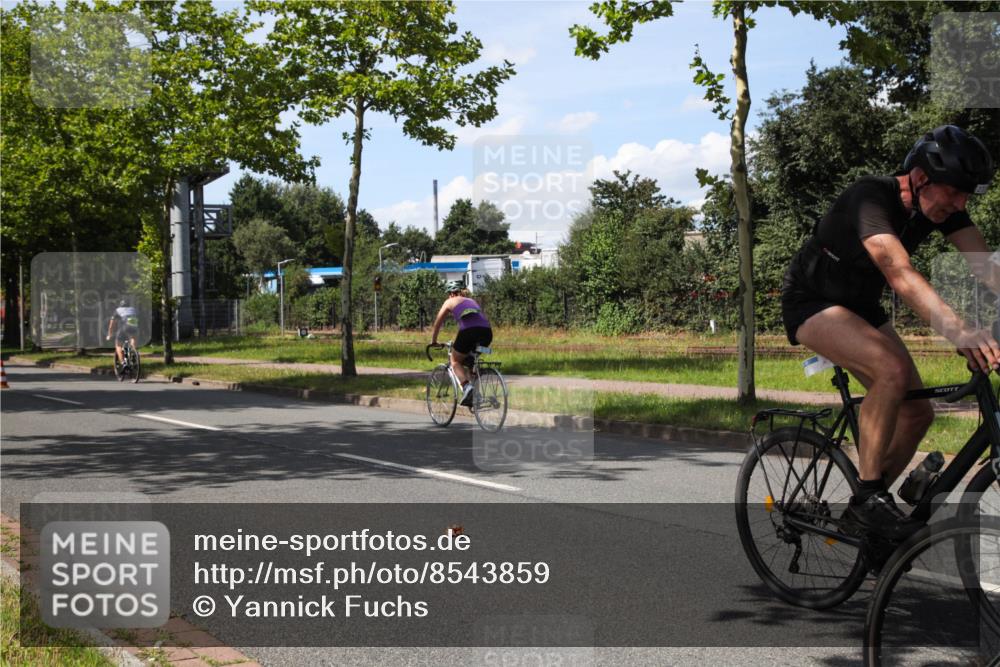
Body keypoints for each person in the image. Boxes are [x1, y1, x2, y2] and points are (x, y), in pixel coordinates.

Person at [781, 125, 1000, 541]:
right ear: (920, 178)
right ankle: (868, 500)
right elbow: (900, 273)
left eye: (967, 194)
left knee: (918, 412)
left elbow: (986, 266)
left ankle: (867, 516)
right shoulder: (870, 197)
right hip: (810, 301)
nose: (960, 203)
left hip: (861, 308)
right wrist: (959, 331)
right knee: (890, 371)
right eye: (954, 191)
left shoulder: (944, 208)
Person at [430, 280, 493, 407]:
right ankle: (477, 396)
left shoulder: (449, 301)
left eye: (448, 294)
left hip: (469, 332)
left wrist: (434, 341)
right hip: (487, 333)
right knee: (470, 361)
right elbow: (477, 320)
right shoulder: (472, 301)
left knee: (455, 361)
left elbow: (438, 322)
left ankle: (467, 387)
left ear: (451, 293)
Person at [107, 299, 139, 369]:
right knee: (133, 338)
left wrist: (109, 334)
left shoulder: (118, 310)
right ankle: (134, 352)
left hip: (124, 327)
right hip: (134, 327)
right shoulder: (133, 309)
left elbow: (111, 324)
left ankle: (123, 363)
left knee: (118, 345)